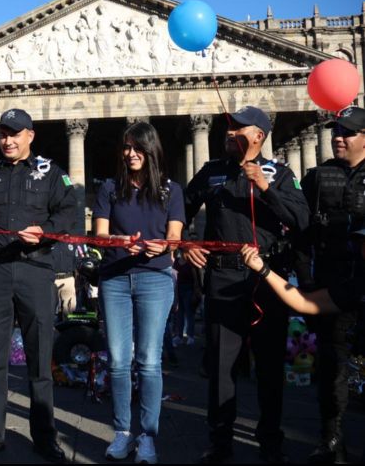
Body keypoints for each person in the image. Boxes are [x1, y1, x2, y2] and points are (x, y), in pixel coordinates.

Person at [183, 106, 309, 463]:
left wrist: (266, 189)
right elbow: (179, 211)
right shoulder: (211, 172)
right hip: (223, 277)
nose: (229, 132)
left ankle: (270, 440)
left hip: (267, 277)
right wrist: (187, 243)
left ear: (258, 136)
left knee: (269, 365)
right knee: (222, 366)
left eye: (239, 127)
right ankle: (220, 441)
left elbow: (301, 220)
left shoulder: (280, 174)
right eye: (229, 126)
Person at [0, 108, 78, 463]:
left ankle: (45, 437)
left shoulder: (50, 172)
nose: (7, 140)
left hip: (35, 269)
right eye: (2, 134)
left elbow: (68, 212)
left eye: (14, 133)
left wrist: (45, 231)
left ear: (30, 135)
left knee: (40, 360)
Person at [93, 122, 185, 463]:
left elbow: (175, 237)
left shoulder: (171, 190)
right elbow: (100, 235)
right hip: (115, 277)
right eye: (126, 147)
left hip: (155, 278)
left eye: (138, 148)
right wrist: (119, 241)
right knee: (118, 361)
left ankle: (147, 436)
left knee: (149, 361)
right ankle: (122, 432)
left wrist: (164, 245)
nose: (131, 154)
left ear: (151, 150)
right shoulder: (109, 188)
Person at [296, 106, 365, 464]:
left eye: (348, 132)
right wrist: (306, 281)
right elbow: (300, 230)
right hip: (331, 285)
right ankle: (331, 440)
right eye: (336, 131)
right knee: (332, 368)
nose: (339, 138)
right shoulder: (319, 176)